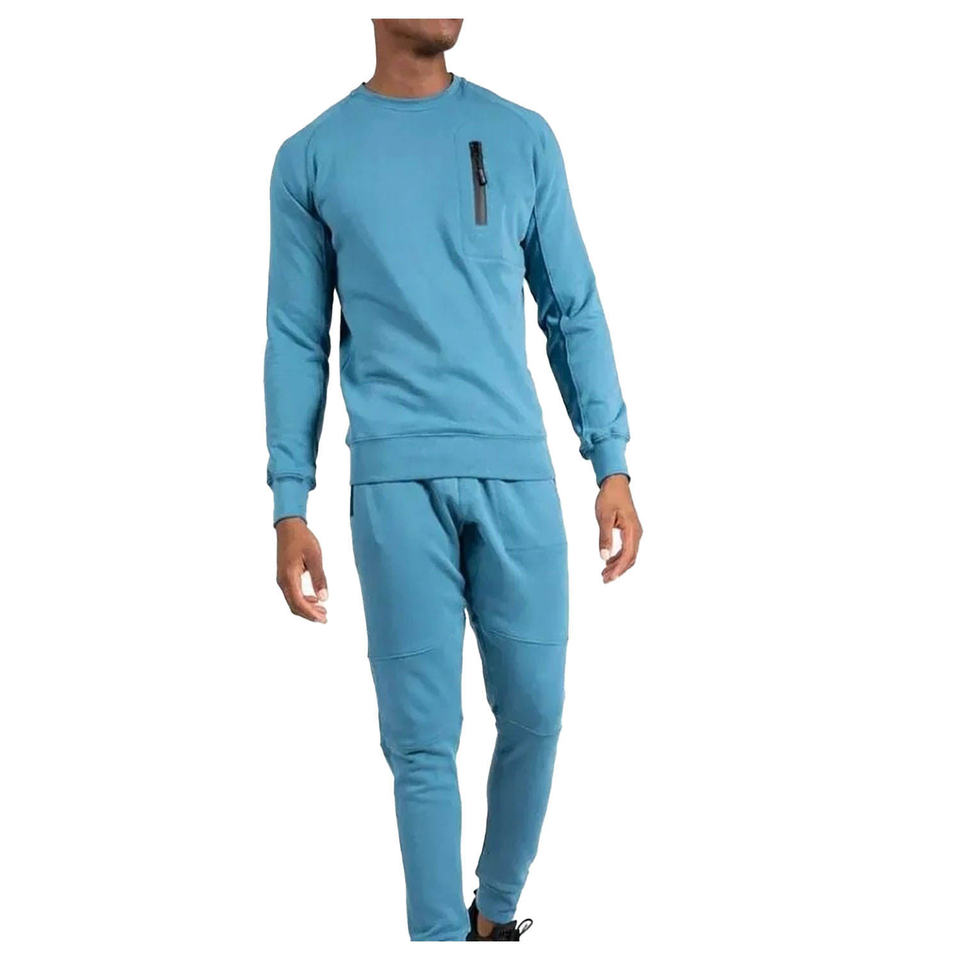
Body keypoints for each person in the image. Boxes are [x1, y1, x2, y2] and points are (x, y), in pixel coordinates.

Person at [264, 18, 642, 942]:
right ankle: (440, 937)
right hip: (395, 484)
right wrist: (289, 502)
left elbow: (572, 310)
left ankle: (494, 915)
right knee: (421, 743)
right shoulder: (311, 157)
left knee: (538, 714)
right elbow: (296, 339)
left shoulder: (522, 137)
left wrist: (612, 460)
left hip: (516, 471)